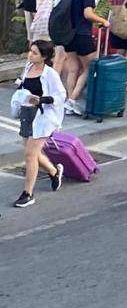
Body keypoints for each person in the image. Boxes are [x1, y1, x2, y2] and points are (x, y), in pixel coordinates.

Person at [12, 40, 66, 208]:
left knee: (29, 155)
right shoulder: (28, 68)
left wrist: (42, 100)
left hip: (44, 117)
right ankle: (54, 171)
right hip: (28, 114)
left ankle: (28, 194)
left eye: (34, 53)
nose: (30, 54)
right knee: (32, 153)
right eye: (30, 51)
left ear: (44, 57)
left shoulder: (50, 74)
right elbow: (23, 85)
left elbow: (61, 96)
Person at [62, 0, 109, 116]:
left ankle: (69, 99)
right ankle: (72, 100)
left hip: (68, 33)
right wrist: (103, 21)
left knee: (73, 69)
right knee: (89, 67)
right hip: (82, 33)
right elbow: (87, 13)